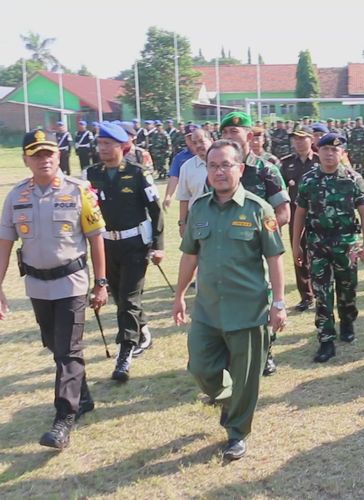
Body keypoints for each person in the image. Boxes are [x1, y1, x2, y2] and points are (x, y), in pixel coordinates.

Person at [172, 139, 286, 461]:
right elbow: (189, 255)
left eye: (226, 165)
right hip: (207, 309)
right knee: (201, 367)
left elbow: (275, 257)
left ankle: (237, 432)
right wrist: (179, 295)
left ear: (240, 168)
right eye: (213, 166)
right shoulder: (199, 208)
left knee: (246, 378)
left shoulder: (258, 209)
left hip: (247, 310)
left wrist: (278, 302)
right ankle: (227, 399)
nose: (219, 171)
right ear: (206, 171)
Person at [0, 129, 108, 449]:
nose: (44, 159)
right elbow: (5, 243)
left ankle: (63, 418)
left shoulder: (79, 191)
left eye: (49, 153)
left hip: (72, 284)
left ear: (59, 156)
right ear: (26, 160)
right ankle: (83, 396)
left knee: (67, 351)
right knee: (55, 346)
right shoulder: (16, 196)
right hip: (37, 285)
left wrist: (100, 283)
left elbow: (96, 238)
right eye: (36, 154)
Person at [82, 123, 165, 382]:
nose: (102, 148)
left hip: (134, 246)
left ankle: (124, 354)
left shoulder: (137, 173)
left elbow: (156, 209)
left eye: (108, 144)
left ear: (122, 146)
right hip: (105, 248)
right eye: (100, 143)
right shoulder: (90, 174)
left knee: (128, 300)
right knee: (120, 298)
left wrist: (158, 246)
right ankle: (142, 330)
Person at [292, 133, 364, 363]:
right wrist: (297, 245)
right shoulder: (309, 180)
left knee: (347, 290)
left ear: (342, 153)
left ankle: (347, 321)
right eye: (325, 149)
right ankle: (326, 339)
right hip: (317, 245)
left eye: (334, 150)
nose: (329, 154)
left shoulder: (352, 179)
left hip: (346, 245)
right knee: (322, 294)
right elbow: (300, 213)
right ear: (319, 151)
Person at [220, 112, 290, 227]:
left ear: (249, 136)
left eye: (234, 131)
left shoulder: (266, 170)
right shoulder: (219, 170)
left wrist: (259, 234)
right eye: (224, 132)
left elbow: (283, 214)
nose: (228, 137)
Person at [279, 126, 319, 313]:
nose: (299, 142)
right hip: (296, 215)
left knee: (319, 253)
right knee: (299, 253)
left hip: (319, 214)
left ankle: (321, 292)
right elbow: (279, 190)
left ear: (311, 140)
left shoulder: (320, 160)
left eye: (302, 139)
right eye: (295, 139)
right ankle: (306, 295)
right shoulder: (286, 164)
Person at [176, 128, 213, 235]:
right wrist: (182, 223)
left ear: (211, 140)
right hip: (197, 222)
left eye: (201, 141)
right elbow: (184, 198)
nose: (198, 146)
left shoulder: (224, 163)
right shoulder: (187, 167)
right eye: (194, 143)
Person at [164, 125, 197, 212]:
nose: (192, 140)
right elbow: (174, 177)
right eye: (189, 138)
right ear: (185, 140)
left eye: (194, 137)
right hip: (188, 197)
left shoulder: (210, 154)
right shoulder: (180, 157)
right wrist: (168, 196)